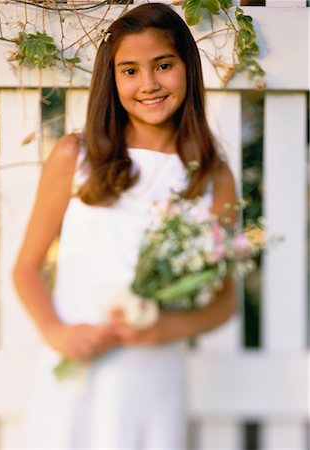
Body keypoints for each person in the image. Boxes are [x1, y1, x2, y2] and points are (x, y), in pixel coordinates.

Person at [13, 3, 237, 448]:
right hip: (77, 370)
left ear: (188, 69)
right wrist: (58, 332)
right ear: (111, 80)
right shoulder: (75, 157)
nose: (149, 84)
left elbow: (224, 302)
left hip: (153, 376)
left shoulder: (210, 175)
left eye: (164, 65)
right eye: (130, 71)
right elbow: (25, 268)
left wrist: (162, 329)